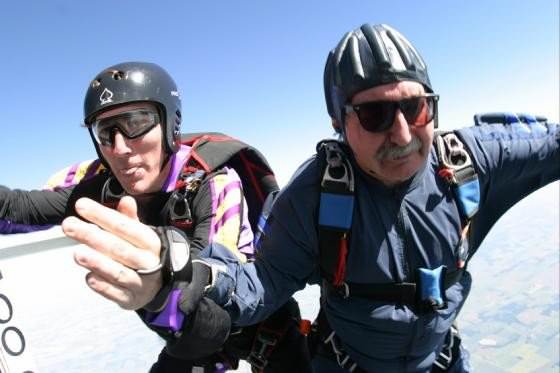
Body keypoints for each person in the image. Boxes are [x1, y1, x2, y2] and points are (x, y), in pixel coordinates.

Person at [136, 23, 556, 371]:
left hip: (441, 361)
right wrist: (186, 276)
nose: (403, 133)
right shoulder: (316, 195)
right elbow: (263, 283)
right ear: (339, 122)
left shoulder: (472, 162)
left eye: (417, 108)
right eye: (375, 115)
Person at [0, 61, 310, 372]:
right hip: (189, 338)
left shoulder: (211, 182)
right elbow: (17, 208)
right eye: (106, 132)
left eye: (136, 123)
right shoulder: (105, 186)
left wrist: (166, 282)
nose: (120, 147)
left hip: (263, 332)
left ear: (170, 125)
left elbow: (220, 286)